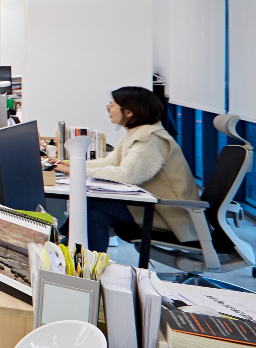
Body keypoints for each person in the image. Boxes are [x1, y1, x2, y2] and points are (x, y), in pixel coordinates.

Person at [55, 86, 198, 252]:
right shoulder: (136, 133)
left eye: (111, 106)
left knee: (91, 201)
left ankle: (62, 244)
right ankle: (82, 260)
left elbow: (126, 175)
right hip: (153, 208)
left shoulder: (149, 140)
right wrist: (70, 164)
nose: (109, 110)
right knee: (95, 216)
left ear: (129, 112)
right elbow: (109, 163)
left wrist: (76, 171)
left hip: (170, 214)